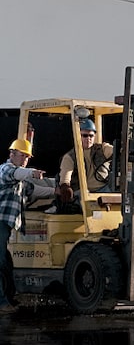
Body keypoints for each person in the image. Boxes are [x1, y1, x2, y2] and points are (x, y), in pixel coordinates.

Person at [0, 138, 55, 313]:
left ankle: (8, 298)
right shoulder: (5, 169)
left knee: (6, 264)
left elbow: (34, 190)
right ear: (12, 154)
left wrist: (58, 189)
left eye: (27, 157)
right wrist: (32, 172)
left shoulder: (21, 179)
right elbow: (17, 174)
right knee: (0, 262)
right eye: (22, 156)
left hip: (5, 225)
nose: (25, 159)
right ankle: (1, 303)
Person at [55, 118, 114, 210]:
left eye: (91, 135)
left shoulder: (102, 149)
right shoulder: (70, 156)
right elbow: (66, 176)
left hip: (103, 188)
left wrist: (124, 150)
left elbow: (116, 150)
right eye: (85, 135)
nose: (88, 139)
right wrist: (65, 186)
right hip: (82, 191)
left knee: (122, 197)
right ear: (78, 135)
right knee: (88, 204)